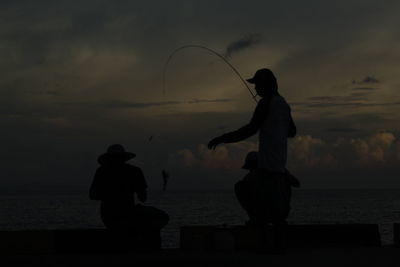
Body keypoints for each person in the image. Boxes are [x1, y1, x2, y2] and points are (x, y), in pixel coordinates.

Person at [208, 68, 296, 252]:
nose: (255, 88)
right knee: (278, 218)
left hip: (266, 170)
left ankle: (265, 252)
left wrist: (223, 138)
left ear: (266, 85)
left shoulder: (265, 103)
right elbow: (292, 132)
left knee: (261, 215)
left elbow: (250, 129)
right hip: (280, 169)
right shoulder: (284, 105)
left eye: (257, 84)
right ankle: (279, 253)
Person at [89, 144, 169, 250]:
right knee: (160, 217)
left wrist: (110, 194)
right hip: (128, 214)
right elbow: (143, 198)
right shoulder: (134, 171)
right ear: (124, 158)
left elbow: (93, 195)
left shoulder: (101, 171)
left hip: (108, 216)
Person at [235, 151, 300, 226]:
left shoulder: (251, 177)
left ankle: (255, 218)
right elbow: (296, 183)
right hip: (281, 213)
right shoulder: (279, 171)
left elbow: (296, 183)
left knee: (239, 186)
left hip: (265, 213)